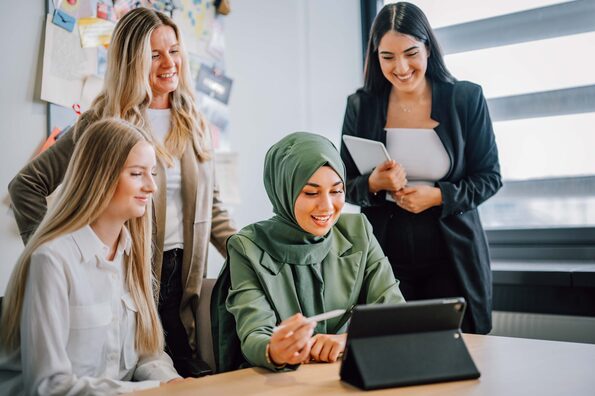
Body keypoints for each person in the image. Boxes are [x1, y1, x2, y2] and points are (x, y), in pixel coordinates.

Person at [7, 8, 236, 376]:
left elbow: (214, 209)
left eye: (174, 51)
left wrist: (253, 257)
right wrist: (54, 258)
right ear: (133, 60)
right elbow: (26, 187)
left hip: (182, 284)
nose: (169, 63)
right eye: (155, 54)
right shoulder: (102, 123)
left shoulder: (193, 121)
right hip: (128, 272)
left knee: (182, 374)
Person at [340, 2, 502, 334]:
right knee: (390, 352)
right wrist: (373, 182)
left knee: (454, 354)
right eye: (388, 57)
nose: (400, 67)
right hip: (384, 256)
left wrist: (437, 197)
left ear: (428, 46)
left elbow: (490, 177)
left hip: (451, 256)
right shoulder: (362, 105)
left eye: (411, 52)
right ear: (375, 56)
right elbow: (342, 182)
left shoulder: (466, 98)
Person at [0, 118, 183, 394]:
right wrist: (152, 389)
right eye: (136, 174)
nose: (151, 187)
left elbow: (147, 353)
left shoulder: (132, 255)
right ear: (99, 177)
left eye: (152, 173)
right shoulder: (51, 261)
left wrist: (172, 382)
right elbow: (49, 386)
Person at [211, 132, 405, 372]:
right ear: (283, 190)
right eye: (311, 193)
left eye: (336, 191)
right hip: (281, 383)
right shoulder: (247, 247)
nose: (327, 206)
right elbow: (254, 333)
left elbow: (394, 312)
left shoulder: (358, 231)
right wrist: (276, 350)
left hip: (349, 376)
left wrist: (346, 341)